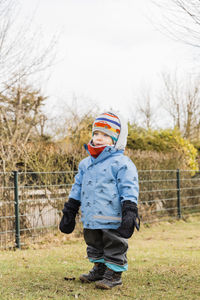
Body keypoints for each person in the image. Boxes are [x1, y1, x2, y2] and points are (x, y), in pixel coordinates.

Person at [59, 111, 140, 289]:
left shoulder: (122, 163)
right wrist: (70, 210)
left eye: (105, 135)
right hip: (90, 216)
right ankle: (100, 268)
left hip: (112, 216)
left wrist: (130, 210)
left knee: (113, 243)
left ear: (116, 139)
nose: (99, 138)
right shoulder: (85, 164)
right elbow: (77, 187)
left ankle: (114, 274)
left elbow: (129, 187)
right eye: (96, 133)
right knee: (93, 242)